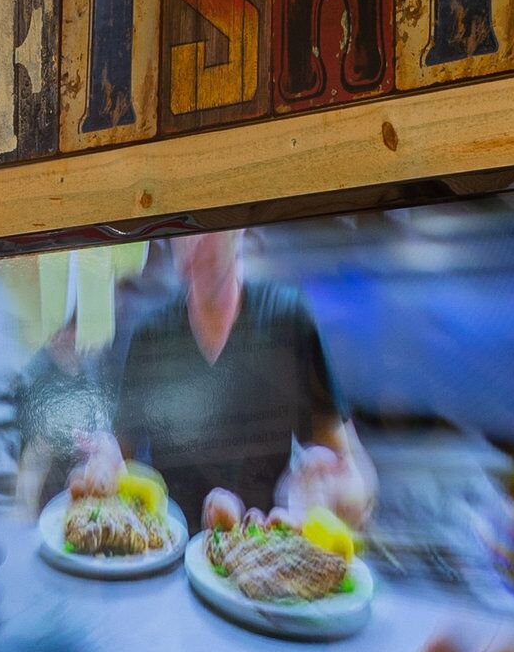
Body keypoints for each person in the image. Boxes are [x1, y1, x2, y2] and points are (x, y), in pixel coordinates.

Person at [75, 226, 379, 530]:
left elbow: (351, 472)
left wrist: (336, 494)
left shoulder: (286, 319)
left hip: (260, 549)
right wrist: (104, 460)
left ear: (239, 226)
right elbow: (120, 455)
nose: (189, 240)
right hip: (168, 548)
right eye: (178, 227)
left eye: (204, 224)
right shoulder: (151, 335)